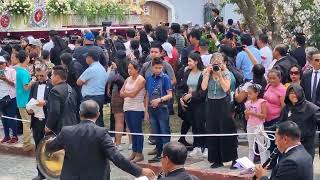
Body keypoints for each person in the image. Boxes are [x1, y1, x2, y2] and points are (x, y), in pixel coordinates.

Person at [46, 100, 155, 180]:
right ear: (98, 115)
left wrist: (48, 143)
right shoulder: (101, 133)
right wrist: (140, 171)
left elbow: (50, 147)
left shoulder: (66, 132)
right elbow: (116, 158)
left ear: (80, 114)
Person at [201, 53, 238, 169]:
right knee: (212, 131)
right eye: (214, 63)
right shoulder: (207, 73)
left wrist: (220, 75)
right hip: (211, 104)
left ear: (223, 63)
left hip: (223, 104)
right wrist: (207, 74)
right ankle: (217, 159)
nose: (216, 65)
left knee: (226, 131)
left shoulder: (227, 74)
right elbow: (203, 87)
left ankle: (233, 159)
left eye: (219, 62)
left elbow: (226, 88)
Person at [276, 84, 320, 159]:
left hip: (306, 146)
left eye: (296, 92)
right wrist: (264, 129)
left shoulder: (312, 108)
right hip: (290, 145)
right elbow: (280, 123)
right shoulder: (287, 108)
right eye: (291, 93)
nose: (294, 95)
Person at [177, 52, 207, 158]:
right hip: (189, 105)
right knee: (194, 125)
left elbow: (203, 92)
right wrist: (182, 97)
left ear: (196, 62)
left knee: (200, 125)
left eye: (190, 61)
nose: (188, 63)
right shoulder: (187, 72)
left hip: (200, 104)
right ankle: (196, 146)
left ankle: (205, 147)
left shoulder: (203, 73)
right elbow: (181, 87)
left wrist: (191, 95)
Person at [28, 63, 53, 180]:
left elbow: (55, 103)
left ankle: (52, 172)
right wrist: (29, 109)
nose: (39, 78)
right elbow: (30, 100)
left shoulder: (52, 85)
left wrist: (46, 103)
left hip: (48, 121)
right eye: (37, 76)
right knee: (38, 147)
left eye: (42, 76)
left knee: (50, 148)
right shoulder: (34, 85)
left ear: (47, 72)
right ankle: (41, 173)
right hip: (36, 120)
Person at [146, 58, 173, 163]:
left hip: (162, 108)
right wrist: (146, 110)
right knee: (156, 132)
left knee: (164, 131)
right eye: (156, 68)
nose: (158, 70)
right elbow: (147, 94)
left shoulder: (165, 78)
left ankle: (167, 155)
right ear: (152, 67)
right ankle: (158, 153)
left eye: (160, 68)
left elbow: (170, 94)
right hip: (152, 108)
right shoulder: (149, 78)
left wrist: (160, 100)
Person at [120, 60, 146, 163]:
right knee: (131, 130)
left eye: (131, 68)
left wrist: (127, 93)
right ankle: (134, 152)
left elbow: (133, 94)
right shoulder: (127, 79)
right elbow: (121, 92)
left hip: (136, 108)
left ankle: (139, 152)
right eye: (128, 68)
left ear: (137, 69)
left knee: (137, 130)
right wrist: (127, 93)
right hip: (127, 107)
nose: (129, 70)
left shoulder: (141, 80)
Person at [77, 49, 109, 127]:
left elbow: (78, 82)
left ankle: (89, 137)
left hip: (90, 97)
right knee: (98, 118)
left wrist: (85, 82)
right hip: (100, 96)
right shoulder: (102, 68)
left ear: (90, 58)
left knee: (87, 120)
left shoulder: (90, 69)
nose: (86, 59)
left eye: (87, 57)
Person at [45, 65, 78, 134]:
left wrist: (49, 126)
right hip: (73, 124)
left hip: (61, 126)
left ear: (57, 77)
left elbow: (54, 111)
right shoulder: (71, 89)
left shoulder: (55, 90)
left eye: (52, 75)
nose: (50, 77)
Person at [263, 69, 286, 168]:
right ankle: (272, 163)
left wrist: (280, 122)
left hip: (276, 119)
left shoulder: (282, 89)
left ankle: (277, 164)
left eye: (274, 78)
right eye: (269, 78)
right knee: (270, 143)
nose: (271, 80)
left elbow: (283, 107)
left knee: (276, 143)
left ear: (279, 78)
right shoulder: (268, 86)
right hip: (266, 118)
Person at [300, 50, 320, 156]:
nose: (319, 62)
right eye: (316, 60)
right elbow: (302, 92)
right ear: (311, 62)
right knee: (308, 142)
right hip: (308, 112)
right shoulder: (306, 75)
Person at [15, 50, 34, 150]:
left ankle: (27, 143)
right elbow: (26, 87)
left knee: (26, 122)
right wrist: (33, 80)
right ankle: (27, 144)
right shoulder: (23, 72)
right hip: (24, 101)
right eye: (28, 56)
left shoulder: (21, 70)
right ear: (26, 58)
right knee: (27, 123)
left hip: (22, 100)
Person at [244, 84, 268, 164]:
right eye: (248, 93)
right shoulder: (247, 103)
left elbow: (264, 116)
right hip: (250, 125)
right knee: (251, 145)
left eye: (251, 93)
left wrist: (252, 113)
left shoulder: (262, 102)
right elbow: (247, 118)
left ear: (257, 93)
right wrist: (246, 113)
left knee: (261, 145)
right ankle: (250, 163)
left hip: (258, 126)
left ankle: (263, 163)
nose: (249, 95)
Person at [0, 56, 17, 144]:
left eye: (1, 64)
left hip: (10, 97)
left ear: (5, 64)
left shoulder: (11, 71)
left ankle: (14, 136)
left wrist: (5, 79)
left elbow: (15, 84)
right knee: (3, 118)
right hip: (1, 98)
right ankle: (6, 136)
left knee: (11, 117)